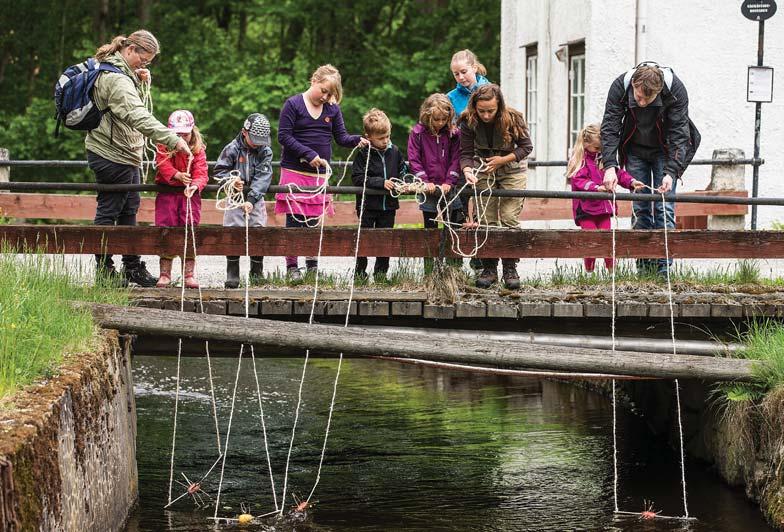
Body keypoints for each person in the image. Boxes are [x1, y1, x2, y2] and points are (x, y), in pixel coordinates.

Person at [86, 30, 192, 286]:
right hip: (111, 153)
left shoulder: (123, 73)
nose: (143, 65)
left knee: (129, 209)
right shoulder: (116, 78)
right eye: (142, 61)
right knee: (110, 209)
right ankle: (104, 271)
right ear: (130, 49)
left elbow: (135, 108)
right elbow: (138, 116)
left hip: (125, 153)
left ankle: (131, 266)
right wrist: (173, 139)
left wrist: (139, 79)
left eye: (147, 64)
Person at [600, 62, 700, 276]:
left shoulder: (675, 91)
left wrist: (672, 173)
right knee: (640, 207)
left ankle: (664, 271)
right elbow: (610, 127)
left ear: (659, 91)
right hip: (635, 151)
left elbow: (679, 133)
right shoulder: (620, 87)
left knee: (665, 208)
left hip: (665, 152)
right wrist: (610, 166)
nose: (642, 103)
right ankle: (644, 269)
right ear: (633, 84)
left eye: (648, 99)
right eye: (638, 98)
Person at [275, 64, 369, 282]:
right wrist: (308, 154)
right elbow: (284, 137)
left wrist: (358, 140)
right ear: (314, 81)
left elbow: (341, 137)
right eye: (323, 90)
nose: (325, 97)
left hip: (318, 176)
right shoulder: (293, 104)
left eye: (330, 93)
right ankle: (292, 266)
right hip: (295, 170)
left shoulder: (332, 109)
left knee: (315, 220)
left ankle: (312, 265)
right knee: (295, 220)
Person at [460, 84, 532, 290]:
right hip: (483, 169)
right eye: (481, 111)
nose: (485, 115)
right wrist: (467, 170)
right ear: (474, 107)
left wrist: (502, 160)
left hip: (511, 170)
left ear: (499, 106)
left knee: (509, 218)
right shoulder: (468, 121)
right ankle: (489, 267)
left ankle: (510, 267)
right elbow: (465, 153)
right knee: (486, 218)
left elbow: (526, 147)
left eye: (490, 111)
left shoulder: (513, 118)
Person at [567, 123, 644, 273]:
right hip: (587, 210)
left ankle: (611, 272)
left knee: (608, 240)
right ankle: (589, 272)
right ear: (586, 144)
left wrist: (631, 182)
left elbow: (618, 173)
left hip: (604, 208)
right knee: (591, 241)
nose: (599, 151)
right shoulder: (580, 161)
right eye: (596, 148)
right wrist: (596, 188)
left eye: (601, 148)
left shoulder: (604, 159)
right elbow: (579, 180)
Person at [214, 113, 273, 289]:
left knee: (258, 228)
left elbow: (264, 175)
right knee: (233, 230)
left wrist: (252, 198)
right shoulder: (231, 149)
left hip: (256, 196)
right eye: (254, 139)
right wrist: (232, 181)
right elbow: (219, 171)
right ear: (244, 132)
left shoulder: (265, 151)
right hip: (234, 198)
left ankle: (256, 270)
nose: (257, 143)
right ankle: (232, 270)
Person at [408, 93, 464, 273]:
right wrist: (424, 181)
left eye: (443, 119)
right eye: (436, 119)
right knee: (430, 228)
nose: (440, 123)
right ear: (427, 116)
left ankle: (454, 268)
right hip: (428, 189)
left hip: (449, 187)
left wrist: (450, 180)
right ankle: (430, 269)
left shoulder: (454, 135)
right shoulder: (417, 133)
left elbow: (457, 158)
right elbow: (414, 159)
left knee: (453, 225)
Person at [351, 109, 407, 283]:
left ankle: (381, 274)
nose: (385, 141)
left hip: (388, 206)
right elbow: (358, 178)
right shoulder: (362, 154)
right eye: (381, 138)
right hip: (367, 206)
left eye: (387, 136)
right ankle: (360, 273)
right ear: (368, 137)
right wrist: (380, 182)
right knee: (365, 239)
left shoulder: (395, 151)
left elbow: (403, 170)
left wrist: (402, 182)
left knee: (385, 240)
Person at [154, 110, 208, 288]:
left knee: (190, 230)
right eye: (178, 134)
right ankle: (165, 273)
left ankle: (189, 274)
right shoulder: (163, 145)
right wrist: (176, 175)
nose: (182, 137)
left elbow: (202, 172)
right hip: (167, 194)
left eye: (185, 133)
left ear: (192, 131)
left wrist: (195, 185)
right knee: (166, 230)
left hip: (189, 196)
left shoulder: (198, 149)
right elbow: (162, 165)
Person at [447, 49, 490, 271]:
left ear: (474, 67)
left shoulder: (490, 91)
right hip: (461, 157)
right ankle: (456, 260)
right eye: (456, 74)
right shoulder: (451, 98)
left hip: (485, 155)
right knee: (460, 206)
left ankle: (481, 259)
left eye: (464, 71)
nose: (461, 77)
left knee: (483, 206)